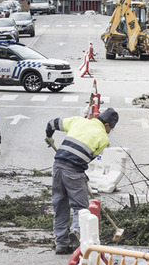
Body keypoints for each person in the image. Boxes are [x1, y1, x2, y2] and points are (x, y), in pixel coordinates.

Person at [46, 108, 118, 255]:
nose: (110, 131)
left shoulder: (78, 121)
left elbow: (51, 123)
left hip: (58, 167)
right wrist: (81, 178)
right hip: (73, 171)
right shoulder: (103, 139)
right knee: (81, 207)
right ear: (106, 125)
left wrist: (49, 137)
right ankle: (76, 232)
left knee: (60, 206)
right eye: (110, 128)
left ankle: (61, 244)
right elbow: (84, 160)